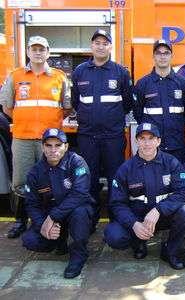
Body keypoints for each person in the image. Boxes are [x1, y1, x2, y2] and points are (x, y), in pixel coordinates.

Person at [0, 36, 71, 238]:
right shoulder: (15, 76)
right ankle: (21, 220)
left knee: (51, 180)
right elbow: (7, 107)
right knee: (21, 181)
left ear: (48, 52)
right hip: (22, 138)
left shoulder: (59, 77)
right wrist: (26, 121)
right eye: (34, 49)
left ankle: (49, 220)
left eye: (42, 49)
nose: (38, 53)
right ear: (28, 52)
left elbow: (66, 108)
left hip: (50, 141)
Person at [104, 122, 185, 270]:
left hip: (163, 216)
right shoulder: (126, 169)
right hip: (138, 218)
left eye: (151, 138)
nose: (146, 143)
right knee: (113, 235)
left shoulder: (172, 163)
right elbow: (116, 203)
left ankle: (171, 250)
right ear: (136, 141)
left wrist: (158, 210)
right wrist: (133, 224)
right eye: (142, 138)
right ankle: (138, 242)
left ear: (158, 141)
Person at [71, 29, 134, 228]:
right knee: (89, 180)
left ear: (110, 46)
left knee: (116, 179)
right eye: (97, 42)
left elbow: (127, 103)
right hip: (87, 136)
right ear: (92, 46)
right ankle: (90, 220)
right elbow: (76, 102)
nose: (100, 46)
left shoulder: (120, 72)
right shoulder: (80, 71)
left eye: (104, 43)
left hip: (113, 136)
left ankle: (117, 221)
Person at [21, 128, 94, 279]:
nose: (53, 150)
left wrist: (53, 217)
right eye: (49, 145)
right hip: (52, 218)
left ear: (66, 146)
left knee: (80, 212)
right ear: (42, 147)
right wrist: (43, 225)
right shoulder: (35, 172)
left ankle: (79, 255)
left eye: (58, 145)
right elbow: (32, 204)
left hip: (74, 212)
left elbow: (80, 194)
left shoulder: (76, 162)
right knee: (30, 241)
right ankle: (58, 240)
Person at [133, 39, 185, 162]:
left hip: (177, 145)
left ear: (171, 56)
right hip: (152, 147)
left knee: (176, 179)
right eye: (159, 53)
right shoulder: (143, 84)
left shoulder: (183, 83)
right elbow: (138, 115)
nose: (162, 56)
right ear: (154, 56)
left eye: (166, 53)